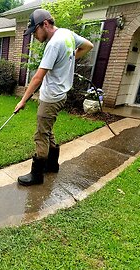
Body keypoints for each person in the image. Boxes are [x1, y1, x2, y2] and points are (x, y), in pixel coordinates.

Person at [14, 9, 94, 186]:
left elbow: (37, 77)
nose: (34, 35)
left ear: (45, 24)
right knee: (48, 130)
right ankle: (52, 165)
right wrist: (70, 59)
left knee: (41, 134)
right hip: (61, 95)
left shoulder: (53, 45)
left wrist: (22, 101)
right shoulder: (67, 34)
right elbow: (89, 45)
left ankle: (37, 175)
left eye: (35, 31)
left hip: (51, 97)